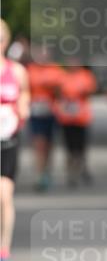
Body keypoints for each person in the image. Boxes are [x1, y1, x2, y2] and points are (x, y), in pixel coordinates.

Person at [0, 19, 30, 261]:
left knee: (4, 195)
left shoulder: (17, 71)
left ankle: (4, 254)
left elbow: (25, 96)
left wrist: (24, 107)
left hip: (7, 141)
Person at [52, 60, 97, 187]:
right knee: (69, 148)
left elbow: (90, 90)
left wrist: (80, 93)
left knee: (81, 147)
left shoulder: (86, 75)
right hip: (66, 117)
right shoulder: (63, 76)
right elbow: (57, 93)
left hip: (81, 117)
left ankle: (82, 168)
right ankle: (72, 174)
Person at [25, 49, 62, 191]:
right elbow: (24, 89)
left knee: (49, 145)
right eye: (39, 53)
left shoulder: (55, 70)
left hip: (51, 112)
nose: (42, 56)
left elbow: (61, 91)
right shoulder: (30, 70)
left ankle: (47, 171)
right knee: (39, 144)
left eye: (45, 53)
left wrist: (52, 88)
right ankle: (40, 175)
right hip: (36, 113)